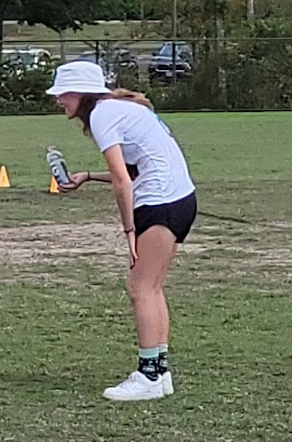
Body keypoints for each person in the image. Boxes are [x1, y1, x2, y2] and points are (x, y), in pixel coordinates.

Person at [49, 60, 197, 402]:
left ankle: (148, 375)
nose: (59, 100)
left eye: (63, 94)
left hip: (159, 202)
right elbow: (132, 171)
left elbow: (122, 180)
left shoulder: (103, 114)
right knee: (152, 288)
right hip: (179, 199)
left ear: (82, 93)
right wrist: (87, 176)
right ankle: (159, 372)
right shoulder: (119, 109)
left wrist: (129, 229)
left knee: (140, 288)